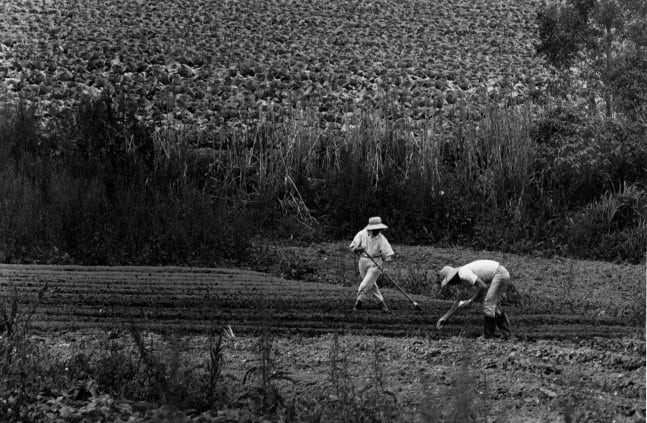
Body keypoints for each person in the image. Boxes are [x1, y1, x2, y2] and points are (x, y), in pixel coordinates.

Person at [435, 259, 512, 339]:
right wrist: (445, 317)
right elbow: (457, 303)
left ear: (452, 277)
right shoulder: (460, 283)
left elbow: (483, 286)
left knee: (488, 305)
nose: (450, 284)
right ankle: (506, 335)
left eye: (449, 281)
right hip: (499, 274)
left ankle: (488, 336)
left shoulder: (463, 274)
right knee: (492, 306)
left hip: (499, 273)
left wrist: (471, 300)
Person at [349, 216, 394, 312]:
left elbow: (389, 256)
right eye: (375, 229)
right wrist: (358, 249)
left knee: (364, 285)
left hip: (376, 263)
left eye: (379, 229)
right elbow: (352, 248)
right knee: (371, 284)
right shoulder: (361, 234)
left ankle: (358, 304)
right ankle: (381, 303)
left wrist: (385, 267)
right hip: (363, 261)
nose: (378, 231)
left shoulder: (382, 239)